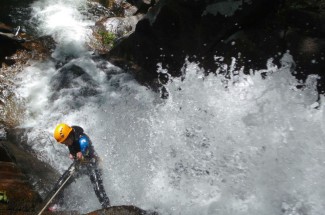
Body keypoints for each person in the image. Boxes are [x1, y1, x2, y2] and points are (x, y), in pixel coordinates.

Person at [53, 123, 110, 209]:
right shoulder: (70, 139)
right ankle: (59, 205)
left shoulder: (81, 137)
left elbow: (84, 145)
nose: (66, 144)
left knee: (98, 190)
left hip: (92, 165)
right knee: (59, 184)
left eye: (65, 142)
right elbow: (73, 148)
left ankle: (108, 208)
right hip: (79, 166)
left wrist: (81, 152)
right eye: (63, 143)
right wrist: (72, 154)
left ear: (69, 135)